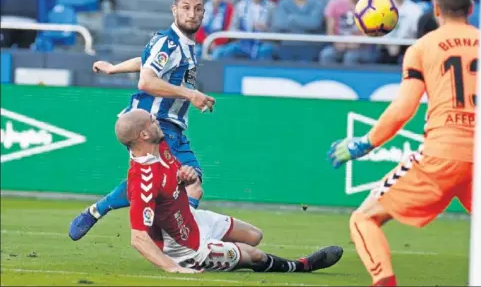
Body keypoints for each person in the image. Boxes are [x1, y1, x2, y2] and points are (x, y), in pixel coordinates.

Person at [69, 0, 263, 248]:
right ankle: (174, 238)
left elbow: (146, 62)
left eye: (197, 9)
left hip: (173, 128)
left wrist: (114, 68)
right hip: (154, 125)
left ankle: (103, 211)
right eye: (185, 8)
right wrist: (190, 94)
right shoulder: (168, 41)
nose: (191, 14)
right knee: (186, 184)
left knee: (174, 180)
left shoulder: (183, 45)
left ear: (204, 12)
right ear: (174, 10)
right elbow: (147, 80)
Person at [327, 0, 477, 286]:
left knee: (364, 219)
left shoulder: (422, 48)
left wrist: (364, 144)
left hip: (440, 156)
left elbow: (404, 108)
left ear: (436, 10)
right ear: (471, 9)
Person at [121, 109, 344, 273]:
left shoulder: (160, 145)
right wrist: (173, 268)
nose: (156, 120)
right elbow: (138, 238)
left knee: (254, 236)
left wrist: (183, 177)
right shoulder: (142, 180)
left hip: (191, 219)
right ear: (143, 136)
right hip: (187, 249)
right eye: (151, 121)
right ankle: (301, 266)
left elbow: (170, 181)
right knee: (254, 255)